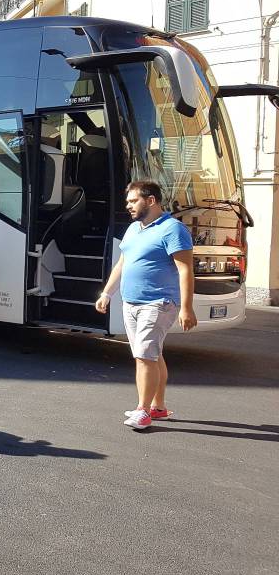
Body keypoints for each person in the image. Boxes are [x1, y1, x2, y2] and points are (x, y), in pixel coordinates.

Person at [95, 181, 196, 430]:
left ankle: (143, 410)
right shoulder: (133, 229)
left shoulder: (173, 229)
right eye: (128, 202)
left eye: (133, 201)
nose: (128, 206)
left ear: (151, 201)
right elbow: (122, 263)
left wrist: (186, 307)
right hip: (131, 302)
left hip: (159, 303)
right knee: (153, 355)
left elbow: (186, 270)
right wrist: (107, 293)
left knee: (144, 357)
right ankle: (158, 407)